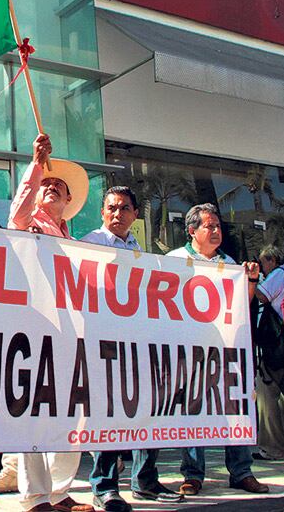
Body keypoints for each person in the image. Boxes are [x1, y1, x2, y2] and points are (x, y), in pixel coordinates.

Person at [81, 187, 182, 511]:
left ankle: (145, 481)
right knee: (108, 414)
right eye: (111, 207)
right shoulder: (89, 244)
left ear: (135, 214)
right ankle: (104, 487)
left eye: (125, 208)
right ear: (102, 212)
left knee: (145, 410)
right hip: (103, 342)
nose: (117, 214)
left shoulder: (141, 251)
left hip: (138, 343)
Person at [7, 133, 93, 512]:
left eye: (59, 187)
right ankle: (35, 496)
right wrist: (37, 165)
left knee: (74, 410)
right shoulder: (29, 224)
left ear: (69, 202)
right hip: (32, 325)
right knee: (32, 409)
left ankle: (59, 490)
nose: (52, 188)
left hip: (67, 331)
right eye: (47, 185)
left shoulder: (72, 240)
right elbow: (18, 213)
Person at [166, 203, 269, 495]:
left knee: (235, 405)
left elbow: (242, 305)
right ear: (192, 231)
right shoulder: (174, 260)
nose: (215, 231)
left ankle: (241, 471)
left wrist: (249, 280)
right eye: (208, 226)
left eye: (218, 227)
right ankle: (193, 474)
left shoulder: (231, 262)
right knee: (193, 408)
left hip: (225, 347)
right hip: (189, 346)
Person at [254, 245, 284, 461]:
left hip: (275, 341)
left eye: (263, 264)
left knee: (268, 393)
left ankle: (273, 447)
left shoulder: (278, 274)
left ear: (271, 260)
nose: (262, 269)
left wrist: (250, 282)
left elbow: (262, 296)